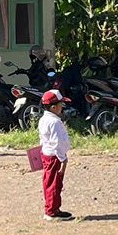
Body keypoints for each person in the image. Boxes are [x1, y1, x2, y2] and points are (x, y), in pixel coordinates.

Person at [38, 89, 73, 221]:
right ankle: (52, 212)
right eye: (60, 104)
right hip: (55, 156)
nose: (62, 107)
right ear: (53, 107)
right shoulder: (55, 122)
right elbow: (58, 142)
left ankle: (53, 208)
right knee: (54, 183)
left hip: (47, 153)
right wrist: (63, 159)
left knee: (49, 182)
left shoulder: (44, 119)